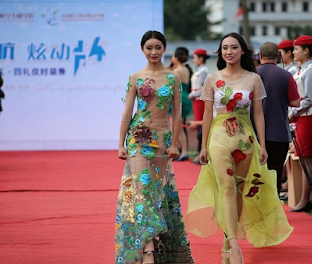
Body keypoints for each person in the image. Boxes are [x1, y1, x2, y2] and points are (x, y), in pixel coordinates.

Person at [184, 33, 293, 264]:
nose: (229, 51)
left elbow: (259, 115)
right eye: (225, 48)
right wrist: (202, 146)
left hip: (245, 139)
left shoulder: (253, 78)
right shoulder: (212, 79)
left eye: (234, 47)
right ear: (220, 52)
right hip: (218, 136)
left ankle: (227, 235)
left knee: (239, 189)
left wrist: (263, 145)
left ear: (242, 51)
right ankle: (234, 244)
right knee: (226, 186)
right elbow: (206, 113)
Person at [115, 30, 194, 264]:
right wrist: (120, 144)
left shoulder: (173, 78)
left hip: (162, 140)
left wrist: (175, 144)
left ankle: (156, 248)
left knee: (157, 194)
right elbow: (127, 112)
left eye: (158, 47)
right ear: (142, 50)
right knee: (143, 192)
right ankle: (148, 251)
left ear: (164, 49)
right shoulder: (135, 77)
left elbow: (177, 114)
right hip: (138, 138)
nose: (153, 52)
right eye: (149, 47)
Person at [253, 42, 300, 194]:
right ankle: (273, 209)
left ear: (260, 56)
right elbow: (296, 102)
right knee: (275, 173)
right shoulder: (286, 75)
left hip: (253, 131)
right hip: (278, 132)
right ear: (278, 57)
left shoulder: (252, 74)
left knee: (254, 174)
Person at [288, 35, 312, 212]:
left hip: (306, 117)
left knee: (306, 159)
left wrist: (292, 113)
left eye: (296, 49)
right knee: (303, 159)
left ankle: (307, 199)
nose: (293, 52)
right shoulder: (302, 70)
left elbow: (308, 99)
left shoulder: (309, 70)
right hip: (301, 117)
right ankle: (308, 198)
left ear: (306, 51)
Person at [188, 48, 210, 164]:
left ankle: (201, 153)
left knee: (201, 126)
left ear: (201, 58)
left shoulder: (203, 71)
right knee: (199, 127)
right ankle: (199, 153)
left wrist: (192, 94)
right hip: (196, 100)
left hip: (200, 100)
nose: (194, 60)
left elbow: (203, 89)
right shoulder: (200, 70)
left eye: (195, 57)